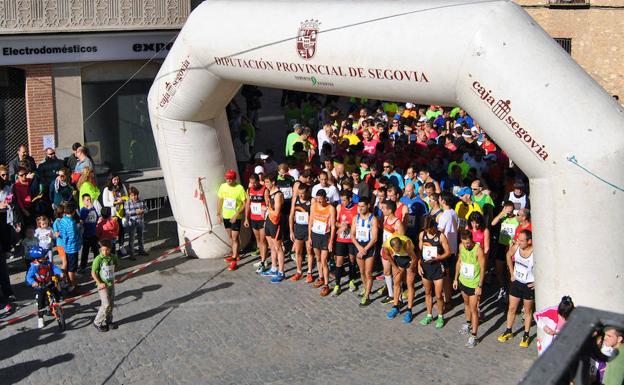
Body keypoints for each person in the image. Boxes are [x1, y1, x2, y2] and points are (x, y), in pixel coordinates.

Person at [498, 230, 535, 348]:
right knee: (511, 308)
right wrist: (511, 272)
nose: (519, 242)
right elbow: (508, 255)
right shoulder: (517, 246)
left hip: (528, 285)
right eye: (518, 239)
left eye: (522, 240)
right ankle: (509, 331)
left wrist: (537, 282)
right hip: (516, 282)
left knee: (528, 311)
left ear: (529, 241)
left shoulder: (535, 252)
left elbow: (544, 267)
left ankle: (526, 334)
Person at [454, 230, 486, 348]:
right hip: (463, 281)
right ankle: (468, 324)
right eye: (464, 243)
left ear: (471, 240)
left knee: (474, 309)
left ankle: (474, 336)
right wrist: (455, 279)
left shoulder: (478, 249)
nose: (466, 245)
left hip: (474, 284)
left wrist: (480, 286)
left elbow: (483, 268)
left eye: (468, 243)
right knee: (466, 304)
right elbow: (459, 262)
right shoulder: (461, 246)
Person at [418, 216, 451, 328]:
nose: (427, 231)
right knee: (427, 293)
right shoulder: (422, 235)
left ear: (433, 226)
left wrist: (439, 257)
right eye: (426, 229)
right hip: (426, 267)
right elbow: (420, 252)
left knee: (438, 295)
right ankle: (429, 315)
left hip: (437, 267)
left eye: (429, 229)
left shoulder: (441, 236)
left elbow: (448, 252)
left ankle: (441, 316)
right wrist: (419, 265)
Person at [25, 246, 63, 328]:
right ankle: (40, 318)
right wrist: (33, 282)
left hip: (49, 282)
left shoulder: (47, 263)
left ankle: (57, 306)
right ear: (36, 259)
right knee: (41, 302)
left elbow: (54, 268)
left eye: (44, 256)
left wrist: (60, 272)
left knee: (57, 293)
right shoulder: (33, 267)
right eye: (42, 257)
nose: (44, 258)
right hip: (40, 285)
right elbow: (28, 277)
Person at [350, 197, 378, 306]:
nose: (360, 208)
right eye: (359, 206)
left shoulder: (373, 219)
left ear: (368, 206)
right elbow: (352, 234)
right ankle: (366, 289)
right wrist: (358, 247)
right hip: (358, 246)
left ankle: (367, 296)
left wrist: (365, 249)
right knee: (361, 271)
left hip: (369, 247)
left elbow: (374, 238)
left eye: (363, 206)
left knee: (368, 272)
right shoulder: (355, 218)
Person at [384, 235, 418, 323]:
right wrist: (395, 267)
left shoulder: (407, 244)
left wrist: (410, 268)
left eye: (399, 248)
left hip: (409, 258)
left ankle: (409, 310)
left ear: (401, 245)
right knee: (396, 282)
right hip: (399, 258)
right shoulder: (386, 246)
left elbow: (414, 258)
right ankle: (395, 307)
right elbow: (388, 256)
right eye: (396, 249)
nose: (398, 250)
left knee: (410, 283)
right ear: (392, 247)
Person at [308, 189, 336, 297]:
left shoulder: (331, 208)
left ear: (325, 198)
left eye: (321, 199)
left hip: (325, 236)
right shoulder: (313, 205)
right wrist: (310, 237)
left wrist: (331, 241)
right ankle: (320, 277)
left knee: (324, 261)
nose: (319, 201)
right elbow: (310, 222)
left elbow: (333, 226)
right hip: (315, 234)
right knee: (318, 258)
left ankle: (326, 285)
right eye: (318, 199)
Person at [260, 174, 286, 283]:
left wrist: (266, 209)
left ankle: (281, 272)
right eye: (265, 182)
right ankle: (274, 268)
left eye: (267, 182)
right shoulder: (270, 192)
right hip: (269, 222)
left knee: (278, 247)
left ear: (273, 182)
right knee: (271, 246)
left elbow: (277, 212)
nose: (265, 184)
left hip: (276, 223)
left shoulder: (278, 195)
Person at [332, 189, 358, 296]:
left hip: (352, 239)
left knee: (352, 260)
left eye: (344, 200)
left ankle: (351, 280)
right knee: (339, 261)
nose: (342, 202)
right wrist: (341, 226)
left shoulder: (357, 208)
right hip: (341, 238)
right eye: (341, 200)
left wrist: (348, 226)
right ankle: (337, 285)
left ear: (350, 199)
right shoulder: (339, 207)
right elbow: (335, 222)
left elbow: (359, 223)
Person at [379, 200, 405, 304]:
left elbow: (402, 239)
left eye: (384, 208)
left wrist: (395, 252)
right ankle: (390, 294)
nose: (382, 210)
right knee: (386, 272)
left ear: (390, 210)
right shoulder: (385, 218)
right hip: (385, 250)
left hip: (394, 253)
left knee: (397, 276)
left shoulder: (398, 223)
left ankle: (398, 297)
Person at [491, 201, 518, 301]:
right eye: (507, 211)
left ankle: (511, 292)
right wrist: (502, 214)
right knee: (499, 270)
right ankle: (502, 288)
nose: (509, 213)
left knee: (509, 271)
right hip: (501, 246)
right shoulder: (503, 217)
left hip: (512, 247)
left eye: (511, 211)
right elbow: (493, 223)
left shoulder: (516, 218)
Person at [91, 239, 120, 332]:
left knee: (111, 304)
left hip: (111, 284)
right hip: (102, 286)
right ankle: (97, 322)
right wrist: (99, 283)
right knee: (106, 304)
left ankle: (109, 321)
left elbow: (116, 266)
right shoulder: (98, 259)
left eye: (107, 250)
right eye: (103, 250)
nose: (105, 252)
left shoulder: (113, 257)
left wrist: (114, 276)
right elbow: (93, 273)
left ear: (110, 249)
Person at [244, 173, 269, 273]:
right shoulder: (249, 190)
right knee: (258, 240)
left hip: (262, 219)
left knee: (263, 241)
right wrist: (246, 218)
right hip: (253, 218)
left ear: (258, 181)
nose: (252, 185)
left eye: (254, 183)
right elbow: (248, 204)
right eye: (251, 183)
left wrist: (266, 211)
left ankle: (263, 261)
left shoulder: (264, 190)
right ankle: (263, 259)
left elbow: (268, 204)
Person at [288, 183, 312, 282]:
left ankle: (309, 272)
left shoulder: (311, 201)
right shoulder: (295, 199)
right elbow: (291, 215)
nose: (301, 195)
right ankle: (299, 271)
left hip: (307, 229)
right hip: (298, 228)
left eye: (302, 194)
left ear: (307, 192)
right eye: (299, 193)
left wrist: (310, 234)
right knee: (298, 251)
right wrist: (291, 231)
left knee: (309, 251)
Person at [56, 201, 82, 293]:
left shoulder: (62, 220)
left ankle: (69, 282)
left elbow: (63, 234)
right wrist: (79, 229)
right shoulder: (71, 223)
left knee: (69, 266)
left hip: (66, 246)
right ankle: (72, 285)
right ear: (74, 212)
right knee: (72, 268)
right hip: (72, 248)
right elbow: (72, 237)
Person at [102, 174, 128, 254]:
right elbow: (105, 203)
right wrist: (115, 202)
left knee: (121, 231)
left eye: (117, 179)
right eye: (114, 180)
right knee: (112, 233)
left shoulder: (122, 186)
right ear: (111, 180)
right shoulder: (107, 189)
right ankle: (112, 249)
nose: (116, 181)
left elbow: (126, 196)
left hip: (121, 213)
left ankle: (121, 246)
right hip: (112, 214)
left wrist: (123, 200)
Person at [124, 187, 148, 261]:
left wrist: (143, 211)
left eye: (135, 195)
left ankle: (141, 250)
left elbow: (146, 209)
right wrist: (135, 212)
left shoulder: (141, 201)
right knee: (132, 238)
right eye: (132, 195)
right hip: (132, 222)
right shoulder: (127, 202)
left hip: (140, 221)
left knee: (141, 237)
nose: (134, 197)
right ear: (129, 196)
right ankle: (131, 253)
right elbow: (127, 212)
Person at [79, 193, 100, 272]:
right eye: (87, 200)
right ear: (83, 201)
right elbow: (82, 218)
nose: (89, 201)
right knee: (85, 251)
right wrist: (88, 209)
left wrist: (92, 209)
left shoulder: (93, 208)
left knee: (96, 251)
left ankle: (97, 265)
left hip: (94, 233)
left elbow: (97, 216)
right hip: (86, 235)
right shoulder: (83, 210)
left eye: (89, 199)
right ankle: (83, 267)